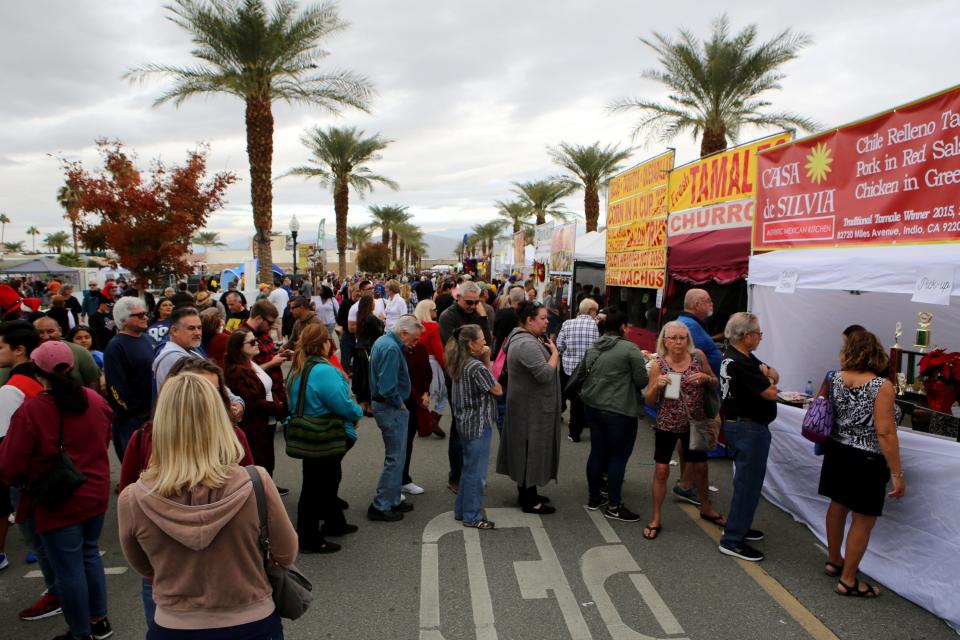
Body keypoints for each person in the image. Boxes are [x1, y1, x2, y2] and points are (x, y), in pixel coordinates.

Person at [118, 374, 296, 639]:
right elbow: (286, 553)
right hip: (250, 617)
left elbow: (144, 567)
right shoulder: (255, 481)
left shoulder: (133, 498)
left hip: (174, 623)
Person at [0, 340, 113, 640]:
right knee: (90, 555)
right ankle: (99, 621)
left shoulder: (32, 411)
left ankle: (79, 632)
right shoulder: (94, 400)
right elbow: (105, 438)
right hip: (94, 490)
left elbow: (10, 465)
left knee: (68, 568)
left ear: (38, 372)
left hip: (58, 498)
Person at [819, 330, 904, 597]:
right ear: (875, 352)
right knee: (863, 518)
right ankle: (848, 579)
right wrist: (897, 472)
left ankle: (834, 560)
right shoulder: (881, 386)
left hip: (837, 450)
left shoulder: (835, 378)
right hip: (867, 458)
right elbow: (885, 433)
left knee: (837, 505)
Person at [287, 323, 364, 553]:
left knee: (321, 481)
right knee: (318, 486)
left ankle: (333, 522)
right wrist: (357, 412)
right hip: (324, 433)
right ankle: (310, 538)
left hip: (308, 432)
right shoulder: (323, 370)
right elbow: (340, 402)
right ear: (324, 343)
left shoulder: (299, 367)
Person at [643, 321, 722, 539]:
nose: (678, 342)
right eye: (673, 338)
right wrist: (657, 386)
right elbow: (649, 401)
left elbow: (715, 383)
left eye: (683, 337)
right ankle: (656, 517)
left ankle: (705, 507)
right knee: (661, 470)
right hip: (667, 423)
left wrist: (707, 378)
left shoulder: (697, 357)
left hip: (696, 422)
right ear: (665, 341)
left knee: (701, 468)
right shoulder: (659, 364)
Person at [717, 312, 779, 562]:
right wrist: (767, 376)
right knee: (748, 484)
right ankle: (732, 538)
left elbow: (773, 374)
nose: (760, 338)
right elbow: (771, 391)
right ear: (746, 336)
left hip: (742, 425)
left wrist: (768, 375)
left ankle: (738, 525)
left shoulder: (739, 357)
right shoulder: (742, 362)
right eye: (758, 334)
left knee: (746, 482)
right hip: (748, 427)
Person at [577, 309, 649, 521]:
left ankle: (594, 497)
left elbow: (581, 374)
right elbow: (642, 381)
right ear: (622, 327)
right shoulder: (629, 348)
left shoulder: (593, 347)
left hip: (593, 406)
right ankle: (614, 506)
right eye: (628, 326)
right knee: (618, 457)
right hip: (620, 410)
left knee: (598, 452)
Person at [496, 300, 560, 515]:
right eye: (542, 318)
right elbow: (544, 375)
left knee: (527, 450)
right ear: (529, 320)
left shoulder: (527, 339)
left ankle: (528, 492)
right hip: (529, 409)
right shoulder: (526, 344)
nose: (547, 321)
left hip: (528, 406)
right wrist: (555, 355)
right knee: (529, 452)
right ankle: (529, 500)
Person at [367, 315, 423, 522]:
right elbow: (387, 386)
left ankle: (391, 499)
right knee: (395, 457)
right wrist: (399, 403)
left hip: (386, 405)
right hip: (390, 407)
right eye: (414, 339)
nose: (415, 343)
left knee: (396, 457)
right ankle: (381, 504)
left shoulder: (384, 342)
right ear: (404, 333)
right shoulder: (391, 348)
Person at [446, 324, 502, 529]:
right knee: (477, 473)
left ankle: (462, 510)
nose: (485, 342)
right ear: (471, 344)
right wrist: (487, 359)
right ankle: (472, 515)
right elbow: (496, 389)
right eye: (482, 340)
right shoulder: (476, 366)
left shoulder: (458, 361)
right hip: (478, 423)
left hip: (464, 421)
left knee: (468, 469)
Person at [438, 281, 491, 493]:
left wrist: (483, 316)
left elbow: (488, 342)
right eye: (468, 302)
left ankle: (472, 476)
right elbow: (453, 348)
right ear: (458, 297)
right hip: (457, 377)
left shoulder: (478, 314)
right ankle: (456, 477)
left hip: (476, 375)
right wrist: (479, 351)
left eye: (475, 302)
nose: (471, 306)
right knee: (460, 428)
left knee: (476, 430)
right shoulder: (448, 316)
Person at [673, 289, 724, 505]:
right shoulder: (690, 327)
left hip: (691, 396)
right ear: (696, 304)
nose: (711, 303)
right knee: (699, 442)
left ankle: (689, 481)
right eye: (708, 300)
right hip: (698, 398)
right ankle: (686, 485)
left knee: (690, 440)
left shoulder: (687, 324)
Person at [224, 328, 287, 477]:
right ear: (239, 348)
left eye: (256, 340)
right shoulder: (238, 370)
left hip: (266, 422)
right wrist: (279, 408)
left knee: (266, 465)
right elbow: (253, 402)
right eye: (252, 342)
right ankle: (261, 496)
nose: (257, 344)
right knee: (259, 466)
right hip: (255, 426)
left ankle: (267, 491)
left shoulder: (250, 363)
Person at [104, 296, 156, 461]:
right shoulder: (116, 346)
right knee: (136, 467)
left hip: (153, 414)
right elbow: (115, 388)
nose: (145, 317)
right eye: (139, 315)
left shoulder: (148, 339)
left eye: (146, 313)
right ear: (124, 320)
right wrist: (136, 412)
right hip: (132, 421)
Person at [556, 297, 600, 442]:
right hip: (588, 369)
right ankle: (583, 426)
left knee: (574, 399)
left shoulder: (567, 323)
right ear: (591, 311)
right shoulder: (595, 325)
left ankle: (574, 432)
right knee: (586, 399)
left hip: (569, 368)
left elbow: (559, 345)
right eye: (596, 311)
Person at [401, 329, 432, 495]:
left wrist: (426, 393)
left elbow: (427, 372)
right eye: (415, 338)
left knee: (409, 441)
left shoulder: (420, 348)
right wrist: (420, 398)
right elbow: (402, 379)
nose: (417, 341)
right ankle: (397, 481)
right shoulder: (398, 350)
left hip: (418, 400)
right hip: (404, 402)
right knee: (400, 444)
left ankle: (404, 479)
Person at [33, 316, 101, 390]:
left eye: (50, 331)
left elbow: (93, 381)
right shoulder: (30, 355)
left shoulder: (80, 352)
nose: (46, 337)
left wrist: (87, 399)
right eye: (40, 332)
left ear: (60, 331)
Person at [152, 306, 204, 397]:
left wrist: (236, 400)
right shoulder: (173, 358)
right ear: (174, 331)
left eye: (199, 328)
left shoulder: (191, 350)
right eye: (191, 328)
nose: (197, 333)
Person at [414, 299, 447, 438]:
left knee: (423, 393)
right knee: (442, 392)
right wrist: (445, 365)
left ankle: (426, 421)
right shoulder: (432, 326)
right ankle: (432, 419)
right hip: (432, 361)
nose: (436, 312)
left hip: (417, 361)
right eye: (434, 309)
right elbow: (438, 349)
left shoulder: (415, 325)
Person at [352, 295, 384, 413]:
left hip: (360, 349)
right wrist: (381, 321)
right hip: (368, 350)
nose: (375, 304)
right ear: (370, 304)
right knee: (369, 377)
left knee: (362, 376)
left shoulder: (360, 316)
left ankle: (363, 404)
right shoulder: (371, 318)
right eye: (373, 302)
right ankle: (370, 405)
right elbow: (379, 332)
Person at [336, 284, 359, 376]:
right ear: (352, 292)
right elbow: (339, 320)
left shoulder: (363, 304)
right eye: (356, 291)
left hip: (360, 338)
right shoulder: (345, 303)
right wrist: (351, 325)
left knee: (358, 364)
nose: (358, 293)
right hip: (348, 336)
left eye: (360, 291)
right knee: (345, 363)